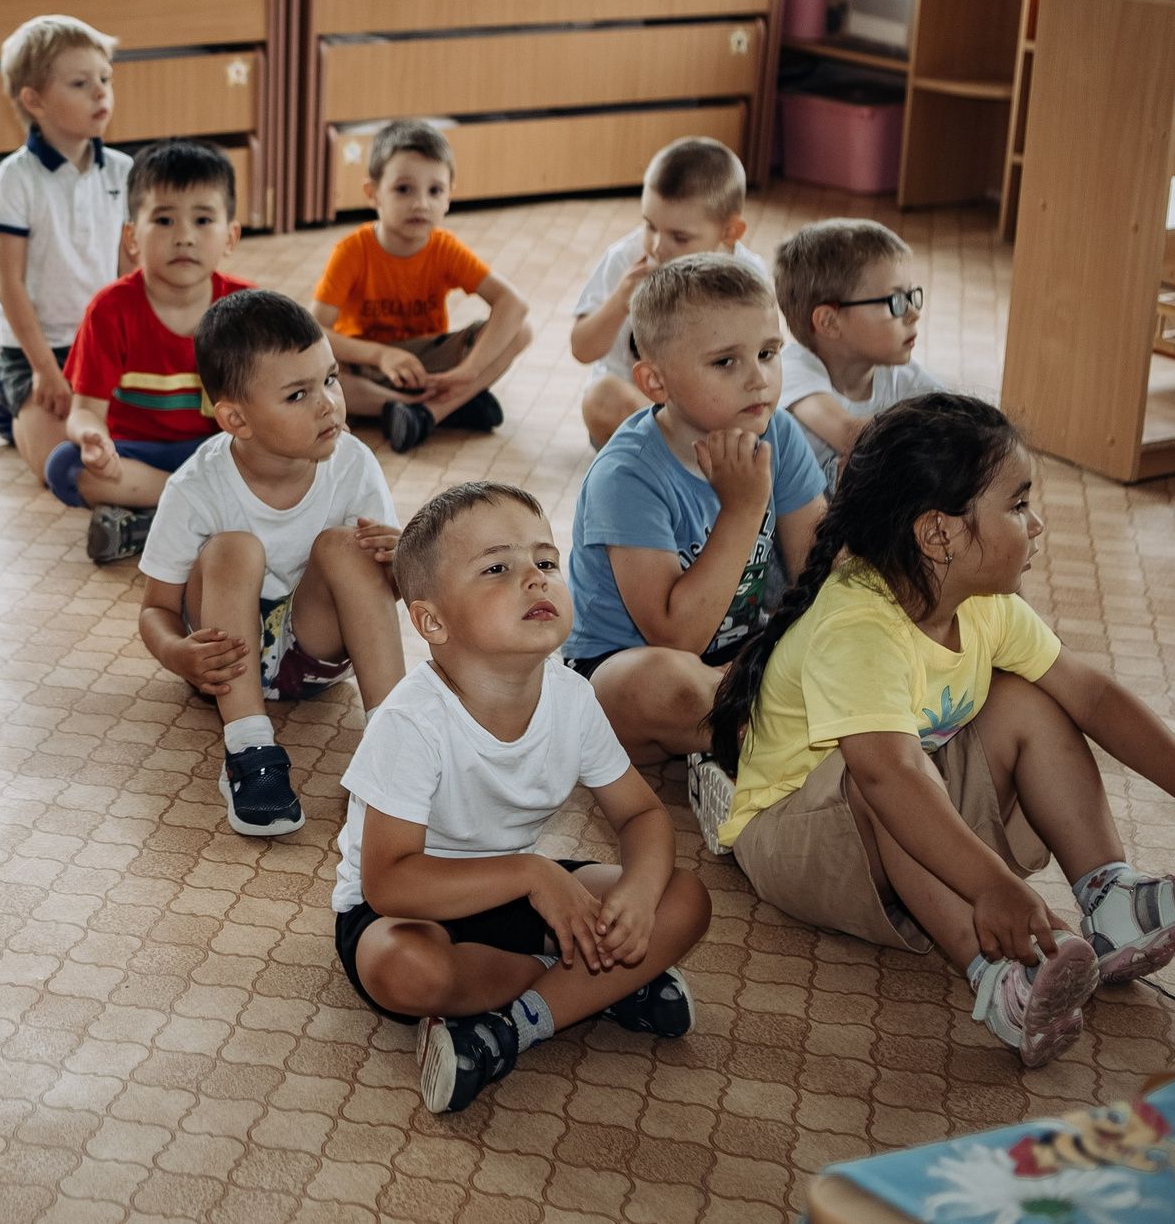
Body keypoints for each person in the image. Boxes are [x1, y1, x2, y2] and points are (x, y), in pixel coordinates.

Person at [708, 394, 1175, 1068]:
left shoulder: (986, 604)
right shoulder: (858, 626)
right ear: (938, 533)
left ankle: (1109, 895)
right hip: (794, 842)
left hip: (903, 813)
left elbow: (1091, 694)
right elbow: (891, 778)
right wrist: (993, 884)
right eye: (1019, 503)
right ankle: (998, 975)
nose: (1037, 523)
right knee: (885, 777)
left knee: (1027, 699)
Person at [335, 482, 710, 1113]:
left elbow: (642, 814)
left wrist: (639, 897)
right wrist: (533, 873)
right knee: (410, 973)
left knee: (684, 899)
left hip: (517, 895)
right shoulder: (411, 722)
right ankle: (599, 986)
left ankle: (510, 1028)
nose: (535, 580)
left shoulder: (572, 698)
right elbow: (388, 884)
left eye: (545, 562)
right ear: (432, 621)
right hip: (409, 907)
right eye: (498, 568)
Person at [558, 254, 827, 852]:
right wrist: (741, 507)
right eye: (726, 362)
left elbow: (820, 570)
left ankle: (736, 752)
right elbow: (676, 636)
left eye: (768, 352)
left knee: (844, 629)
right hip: (625, 675)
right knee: (664, 682)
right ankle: (768, 750)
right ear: (655, 382)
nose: (758, 379)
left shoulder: (776, 432)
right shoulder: (627, 474)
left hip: (737, 664)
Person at [135, 290, 404, 837]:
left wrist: (399, 562)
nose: (328, 403)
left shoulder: (353, 464)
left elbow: (381, 593)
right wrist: (176, 653)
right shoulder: (196, 486)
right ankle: (250, 751)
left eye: (330, 379)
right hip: (223, 659)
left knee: (346, 546)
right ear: (236, 418)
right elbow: (155, 609)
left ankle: (398, 739)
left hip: (315, 652)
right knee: (235, 548)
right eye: (298, 394)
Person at [50, 141, 249, 565]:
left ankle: (146, 524)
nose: (184, 236)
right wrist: (91, 437)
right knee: (67, 466)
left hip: (218, 451)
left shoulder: (247, 307)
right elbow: (84, 411)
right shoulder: (109, 310)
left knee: (281, 455)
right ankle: (207, 512)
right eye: (163, 219)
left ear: (231, 235)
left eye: (203, 219)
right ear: (131, 237)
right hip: (136, 453)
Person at [312, 120, 532, 453]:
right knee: (313, 370)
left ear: (448, 199)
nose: (421, 203)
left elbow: (513, 303)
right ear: (372, 194)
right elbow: (313, 330)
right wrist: (382, 355)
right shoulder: (351, 252)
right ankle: (441, 406)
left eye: (435, 191)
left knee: (521, 330)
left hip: (430, 366)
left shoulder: (445, 248)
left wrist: (467, 372)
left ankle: (428, 412)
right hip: (368, 365)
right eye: (404, 189)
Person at [0, 16, 132, 484]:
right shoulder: (16, 177)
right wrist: (46, 372)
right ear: (35, 101)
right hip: (37, 349)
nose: (100, 93)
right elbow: (9, 285)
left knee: (133, 433)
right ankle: (10, 400)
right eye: (80, 83)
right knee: (61, 464)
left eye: (105, 79)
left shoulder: (124, 171)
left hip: (101, 345)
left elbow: (131, 272)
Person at [568, 137, 762, 450]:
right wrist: (619, 303)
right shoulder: (625, 259)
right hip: (637, 409)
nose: (658, 245)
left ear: (729, 232)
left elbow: (763, 358)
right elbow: (581, 348)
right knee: (601, 398)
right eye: (650, 226)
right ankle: (687, 458)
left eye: (680, 237)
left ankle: (698, 458)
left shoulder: (747, 274)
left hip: (712, 408)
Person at [773, 218, 944, 485]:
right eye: (896, 301)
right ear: (829, 322)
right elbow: (850, 433)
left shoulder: (905, 377)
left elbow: (958, 425)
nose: (914, 313)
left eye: (911, 296)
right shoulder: (792, 368)